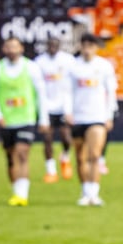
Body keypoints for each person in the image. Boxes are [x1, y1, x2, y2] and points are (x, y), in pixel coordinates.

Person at [0, 37, 49, 206]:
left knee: (22, 153)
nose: (12, 50)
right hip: (6, 120)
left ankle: (22, 195)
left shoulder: (31, 67)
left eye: (15, 47)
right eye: (9, 47)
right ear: (4, 49)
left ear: (21, 48)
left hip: (26, 118)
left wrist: (43, 118)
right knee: (10, 157)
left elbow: (41, 93)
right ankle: (15, 190)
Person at [63, 34, 117, 206]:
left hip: (97, 116)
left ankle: (94, 193)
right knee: (80, 157)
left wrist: (109, 115)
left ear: (96, 47)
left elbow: (111, 92)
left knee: (94, 155)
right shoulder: (72, 66)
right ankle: (85, 191)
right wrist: (68, 112)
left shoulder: (104, 66)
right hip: (78, 117)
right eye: (84, 45)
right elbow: (67, 91)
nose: (87, 49)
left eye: (90, 46)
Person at [34, 36, 76, 182]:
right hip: (46, 106)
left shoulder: (68, 60)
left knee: (66, 137)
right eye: (50, 45)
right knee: (47, 139)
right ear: (46, 46)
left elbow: (72, 85)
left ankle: (65, 156)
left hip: (63, 106)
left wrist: (70, 109)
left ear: (59, 46)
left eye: (55, 45)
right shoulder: (39, 62)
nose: (52, 47)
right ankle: (51, 171)